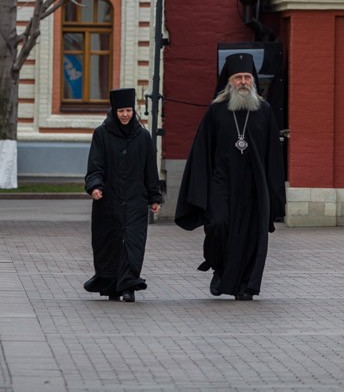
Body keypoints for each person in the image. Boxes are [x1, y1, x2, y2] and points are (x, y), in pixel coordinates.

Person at [175, 52, 286, 301]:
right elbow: (202, 153)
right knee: (218, 226)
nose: (243, 82)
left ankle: (246, 285)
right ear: (229, 81)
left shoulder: (265, 111)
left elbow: (273, 156)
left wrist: (274, 194)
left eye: (247, 77)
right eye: (238, 77)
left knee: (252, 235)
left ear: (253, 79)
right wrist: (200, 191)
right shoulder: (216, 111)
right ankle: (217, 266)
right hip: (222, 183)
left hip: (254, 186)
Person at [83, 88, 162, 302]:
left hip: (136, 200)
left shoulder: (143, 136)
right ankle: (112, 285)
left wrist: (154, 197)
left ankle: (128, 286)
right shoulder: (101, 134)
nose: (125, 115)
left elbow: (150, 169)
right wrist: (95, 186)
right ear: (114, 111)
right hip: (108, 200)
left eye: (128, 110)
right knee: (109, 243)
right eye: (121, 111)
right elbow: (95, 165)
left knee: (133, 243)